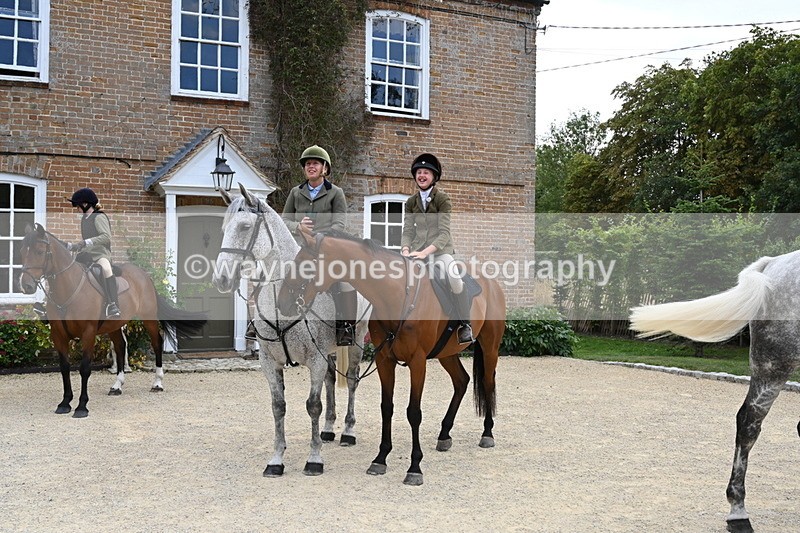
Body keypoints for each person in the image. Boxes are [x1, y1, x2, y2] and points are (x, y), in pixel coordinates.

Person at [279, 145, 357, 346]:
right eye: (307, 164)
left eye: (315, 163)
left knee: (344, 281)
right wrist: (298, 226)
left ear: (325, 168)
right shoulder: (296, 193)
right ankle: (261, 322)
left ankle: (346, 327)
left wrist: (320, 237)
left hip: (326, 250)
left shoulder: (335, 193)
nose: (310, 166)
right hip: (299, 249)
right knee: (275, 273)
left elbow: (340, 224)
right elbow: (283, 221)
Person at [401, 153, 473, 344]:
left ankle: (465, 325)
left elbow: (444, 233)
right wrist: (405, 250)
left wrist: (424, 253)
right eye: (418, 172)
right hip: (415, 251)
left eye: (426, 172)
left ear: (434, 177)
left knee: (455, 279)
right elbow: (407, 230)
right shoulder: (411, 202)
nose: (421, 175)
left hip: (440, 252)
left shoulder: (442, 199)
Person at [67, 187, 121, 319]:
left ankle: (113, 305)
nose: (77, 209)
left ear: (85, 205)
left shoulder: (99, 217)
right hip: (87, 254)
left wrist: (86, 242)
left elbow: (106, 237)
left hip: (100, 254)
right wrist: (76, 246)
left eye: (78, 206)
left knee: (106, 269)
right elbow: (86, 241)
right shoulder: (84, 219)